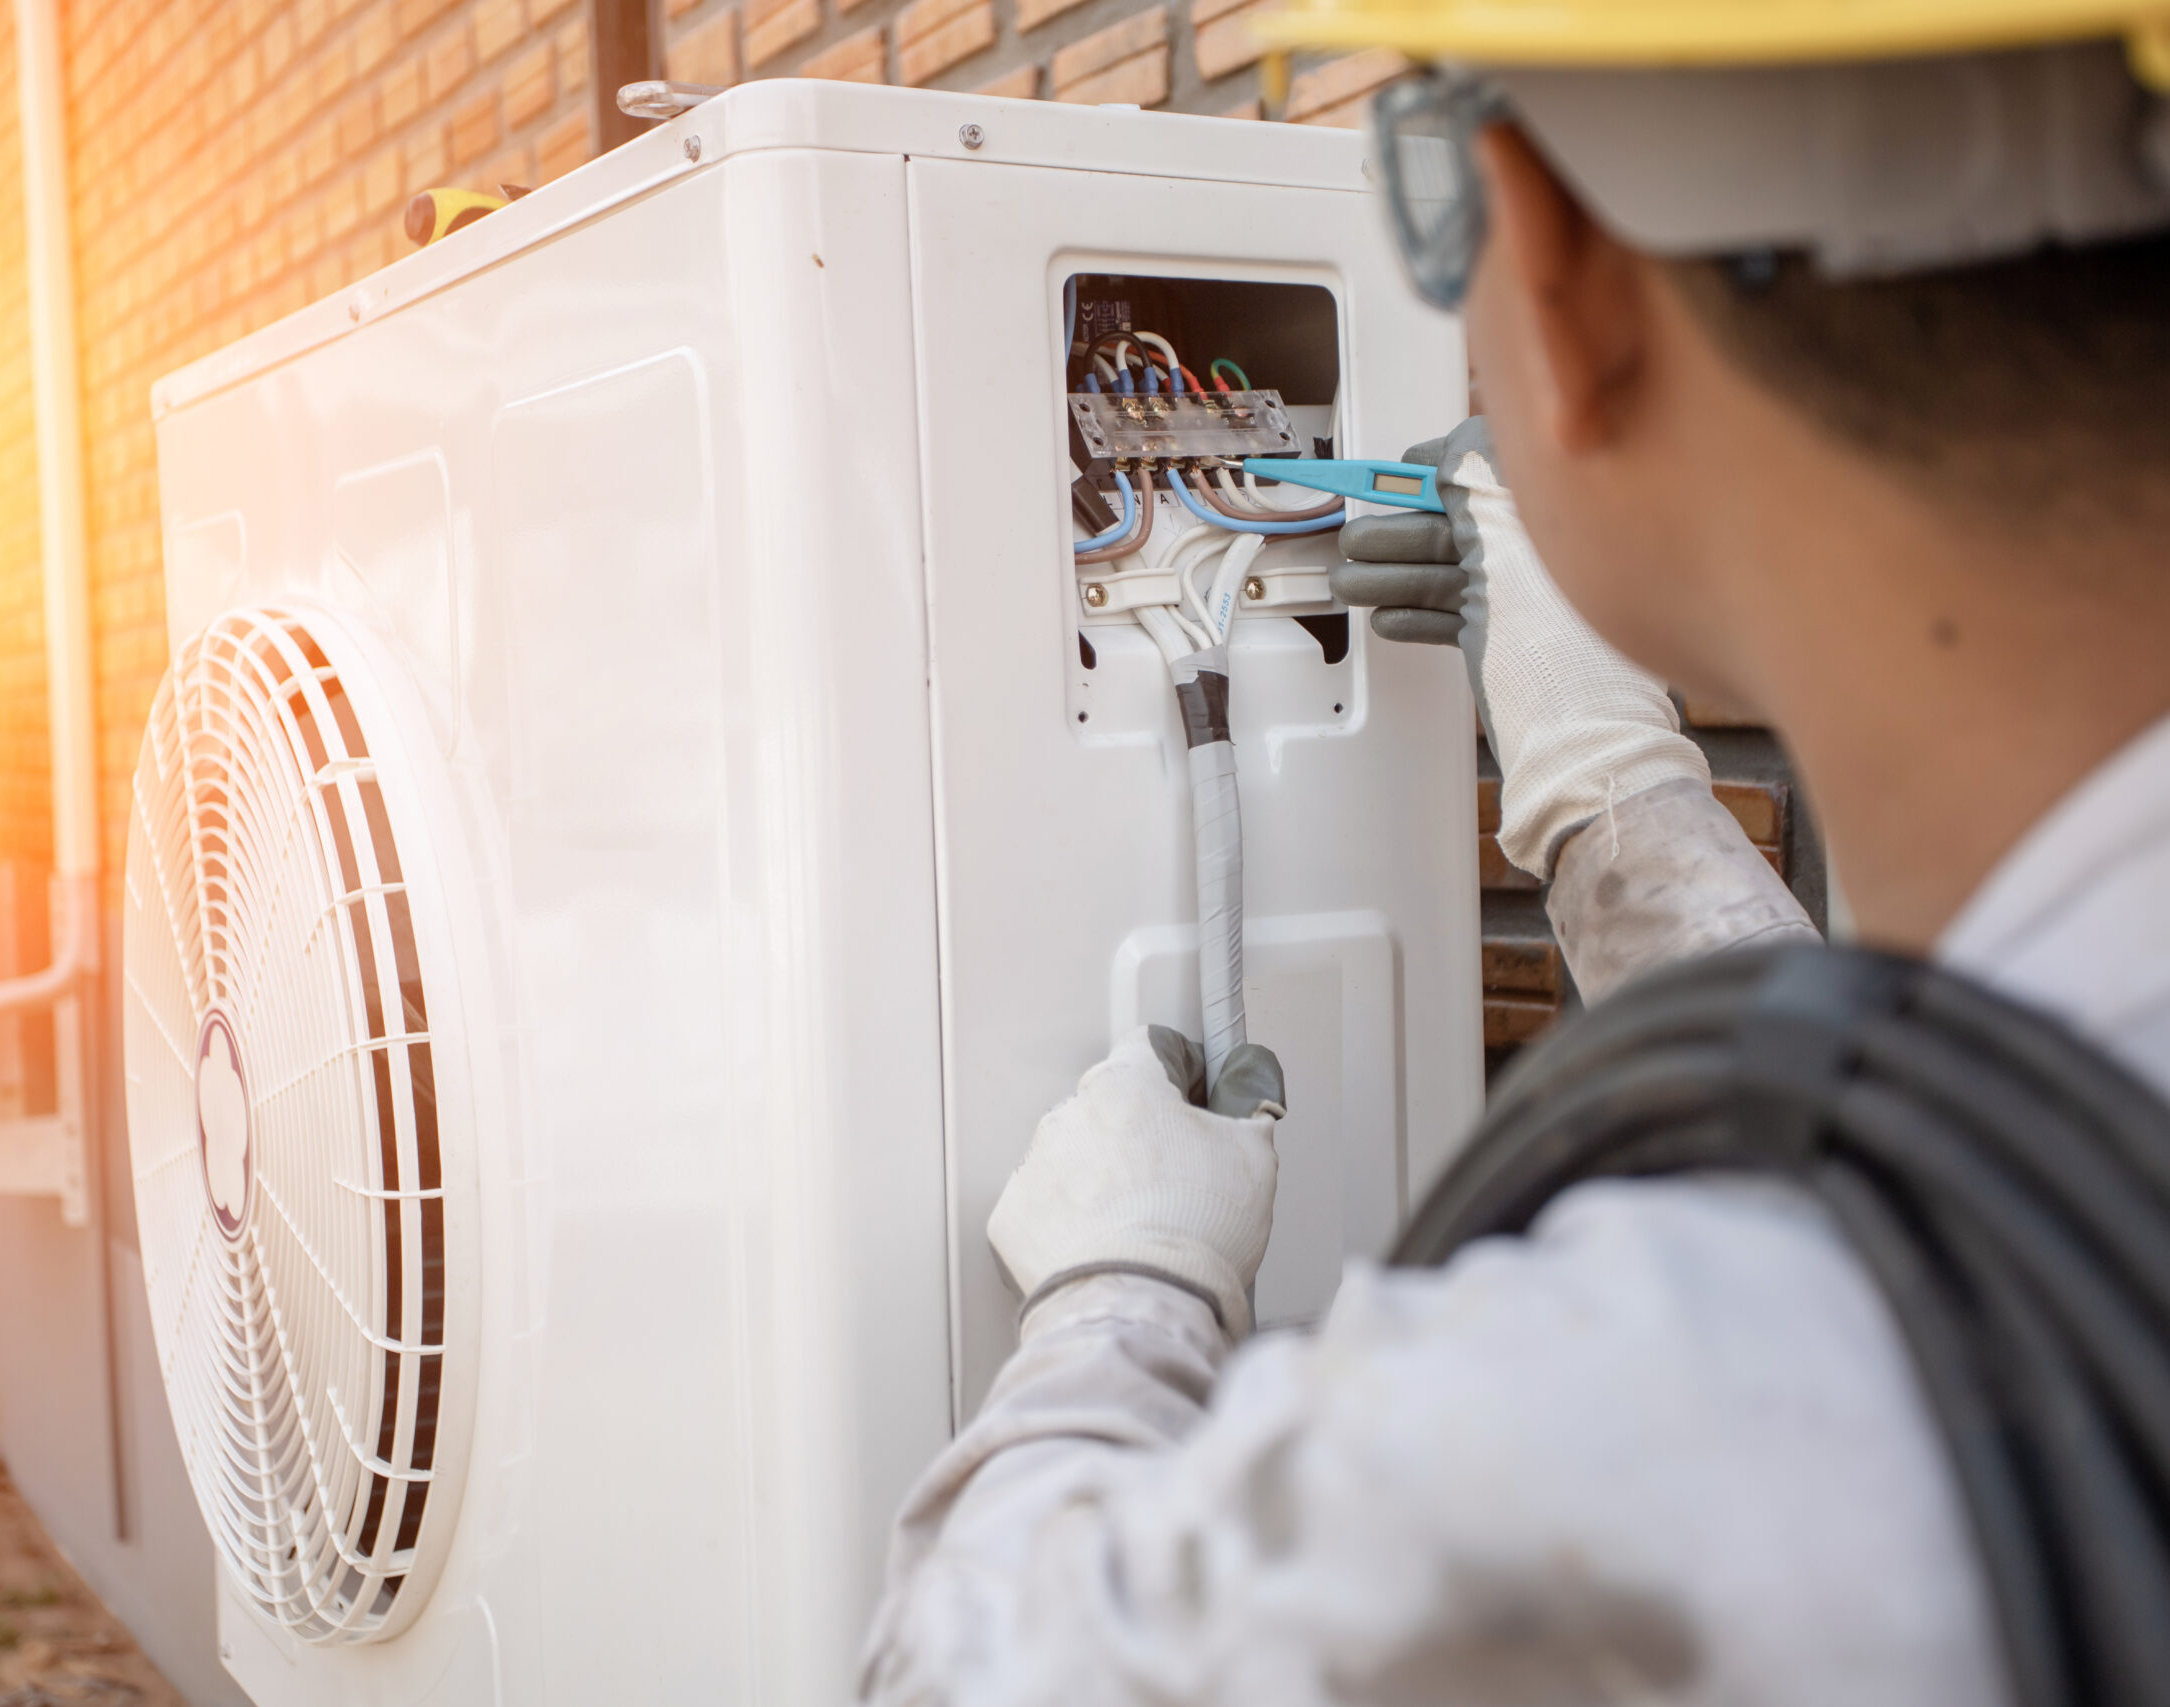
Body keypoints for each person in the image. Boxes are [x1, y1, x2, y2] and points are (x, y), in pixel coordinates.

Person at [857, 7, 2170, 1703]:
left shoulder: (1633, 1416)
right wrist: (1604, 780)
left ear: (1555, 282)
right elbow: (1979, 1107)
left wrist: (1124, 1291)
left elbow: (961, 1671)